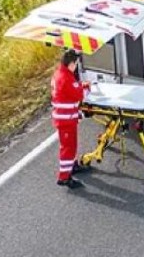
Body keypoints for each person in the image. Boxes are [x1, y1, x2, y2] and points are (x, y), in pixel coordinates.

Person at [51, 49, 90, 189]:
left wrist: (80, 85)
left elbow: (72, 89)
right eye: (76, 64)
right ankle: (64, 177)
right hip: (66, 119)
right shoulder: (66, 78)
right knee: (68, 148)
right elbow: (78, 95)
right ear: (71, 63)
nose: (76, 67)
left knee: (71, 146)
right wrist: (85, 88)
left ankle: (72, 166)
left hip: (65, 118)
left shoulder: (60, 74)